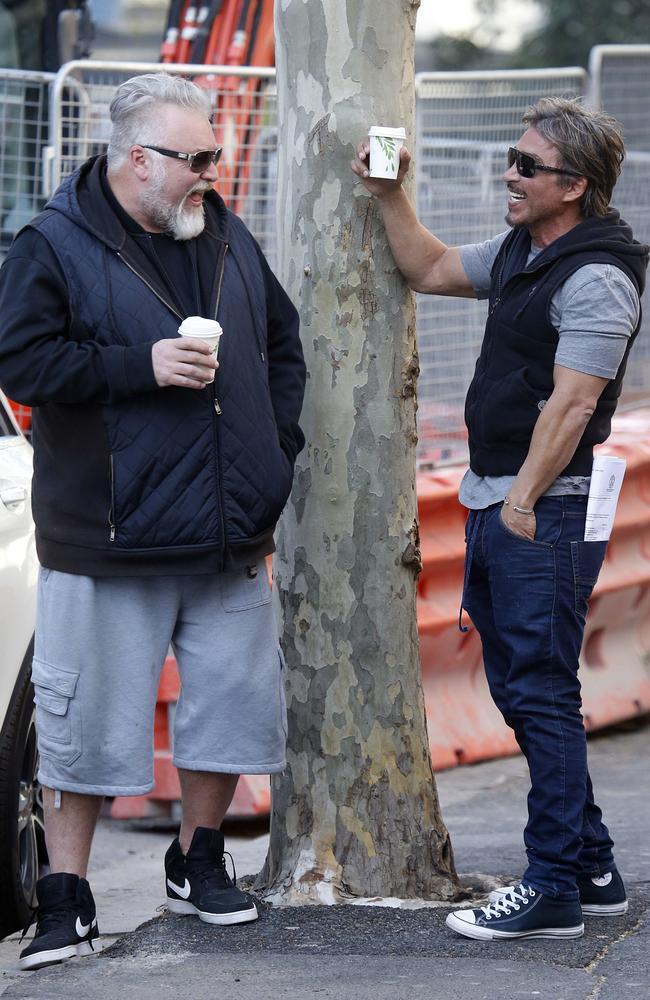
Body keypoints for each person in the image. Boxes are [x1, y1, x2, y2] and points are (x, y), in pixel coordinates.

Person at [0, 72, 305, 969]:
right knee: (84, 724)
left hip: (227, 536)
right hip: (110, 536)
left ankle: (198, 863)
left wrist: (272, 454)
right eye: (196, 158)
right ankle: (66, 897)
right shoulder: (50, 245)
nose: (212, 172)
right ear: (138, 159)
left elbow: (282, 344)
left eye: (214, 154)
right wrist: (143, 365)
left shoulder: (225, 235)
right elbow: (23, 362)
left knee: (229, 712)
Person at [352, 97, 648, 941]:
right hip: (503, 501)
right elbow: (433, 268)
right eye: (510, 160)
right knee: (525, 687)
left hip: (541, 510)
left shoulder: (597, 273)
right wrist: (388, 194)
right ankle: (589, 866)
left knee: (542, 693)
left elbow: (573, 403)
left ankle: (553, 882)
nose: (508, 176)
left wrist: (518, 500)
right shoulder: (527, 249)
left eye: (527, 167)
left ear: (575, 186)